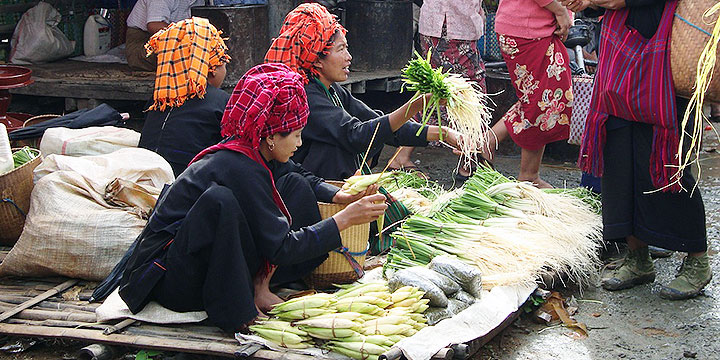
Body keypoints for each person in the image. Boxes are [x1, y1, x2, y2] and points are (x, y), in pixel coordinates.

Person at [115, 63, 387, 333]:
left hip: (201, 264)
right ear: (270, 136)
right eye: (296, 135)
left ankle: (260, 287)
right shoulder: (240, 165)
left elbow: (300, 174)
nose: (300, 144)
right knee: (220, 201)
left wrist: (341, 195)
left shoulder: (255, 149)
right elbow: (282, 247)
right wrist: (345, 219)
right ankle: (236, 311)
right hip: (170, 281)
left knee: (294, 184)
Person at [568, 0, 711, 299]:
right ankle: (637, 257)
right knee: (619, 156)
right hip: (619, 54)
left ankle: (697, 260)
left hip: (667, 55)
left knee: (666, 162)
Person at [264, 3, 463, 181]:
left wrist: (444, 134)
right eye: (341, 49)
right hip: (302, 185)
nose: (349, 57)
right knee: (340, 146)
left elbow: (381, 123)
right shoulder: (305, 96)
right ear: (316, 59)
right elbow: (355, 135)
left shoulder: (332, 91)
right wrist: (417, 104)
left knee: (375, 130)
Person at [480, 0, 574, 188]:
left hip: (529, 28)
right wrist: (560, 11)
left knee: (537, 98)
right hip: (528, 30)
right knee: (545, 101)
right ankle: (529, 175)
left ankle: (487, 142)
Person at [401, 0, 487, 180]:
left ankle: (402, 154)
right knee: (471, 91)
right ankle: (468, 160)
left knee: (434, 91)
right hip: (455, 26)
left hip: (435, 24)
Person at [138, 17, 231, 177]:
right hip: (186, 182)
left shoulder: (159, 98)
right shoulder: (220, 101)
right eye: (223, 63)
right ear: (213, 68)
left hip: (145, 174)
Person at [125, 0, 204, 71]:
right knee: (189, 58)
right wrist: (187, 33)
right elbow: (154, 25)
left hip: (177, 41)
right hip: (144, 44)